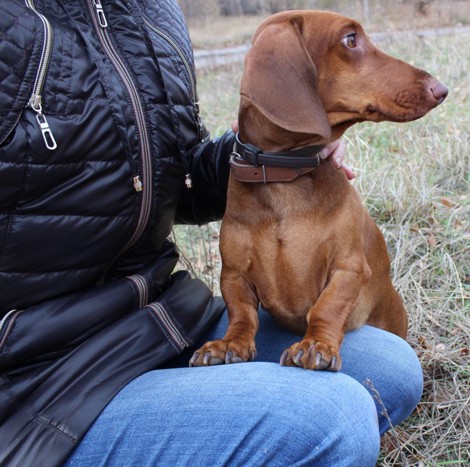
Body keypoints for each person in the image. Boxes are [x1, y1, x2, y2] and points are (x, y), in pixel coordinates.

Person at [0, 1, 422, 466]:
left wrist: (271, 153)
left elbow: (177, 180)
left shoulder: (149, 11)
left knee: (394, 370)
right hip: (40, 377)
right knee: (333, 420)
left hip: (152, 321)